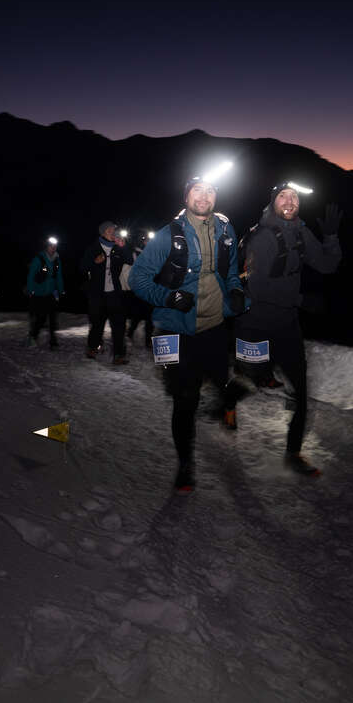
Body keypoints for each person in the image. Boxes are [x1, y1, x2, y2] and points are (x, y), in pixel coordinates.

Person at [128, 176, 246, 493]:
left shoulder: (225, 231)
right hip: (171, 330)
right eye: (197, 190)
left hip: (214, 327)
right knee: (184, 399)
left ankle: (226, 398)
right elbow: (138, 279)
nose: (204, 196)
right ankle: (185, 465)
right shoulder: (169, 236)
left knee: (219, 375)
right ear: (186, 196)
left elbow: (232, 271)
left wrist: (235, 291)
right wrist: (167, 297)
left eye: (209, 190)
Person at [236, 183, 342, 476]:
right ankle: (226, 403)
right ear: (272, 203)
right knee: (250, 377)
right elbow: (256, 287)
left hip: (287, 325)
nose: (290, 200)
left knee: (300, 389)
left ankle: (293, 453)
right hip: (255, 324)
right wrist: (300, 299)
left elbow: (326, 265)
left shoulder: (299, 231)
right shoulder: (262, 237)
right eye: (283, 196)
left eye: (294, 197)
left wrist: (331, 236)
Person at [80, 221, 133, 362]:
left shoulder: (118, 248)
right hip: (97, 294)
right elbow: (82, 268)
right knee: (97, 323)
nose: (113, 233)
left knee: (119, 325)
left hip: (115, 293)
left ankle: (118, 355)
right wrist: (94, 262)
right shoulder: (93, 248)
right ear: (103, 233)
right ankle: (92, 348)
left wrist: (124, 247)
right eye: (110, 230)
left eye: (115, 230)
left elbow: (130, 260)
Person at [26, 238, 64, 348]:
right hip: (38, 293)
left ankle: (53, 341)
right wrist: (30, 290)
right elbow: (31, 276)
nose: (53, 248)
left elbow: (59, 277)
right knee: (41, 318)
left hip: (51, 293)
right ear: (46, 246)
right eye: (51, 246)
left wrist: (61, 290)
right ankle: (33, 336)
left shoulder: (57, 260)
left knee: (53, 317)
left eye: (55, 246)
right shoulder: (38, 259)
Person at [125, 230, 154, 348]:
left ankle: (148, 340)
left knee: (151, 316)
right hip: (139, 289)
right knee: (137, 314)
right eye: (146, 240)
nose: (149, 242)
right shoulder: (135, 253)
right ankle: (130, 332)